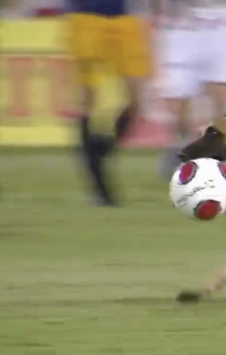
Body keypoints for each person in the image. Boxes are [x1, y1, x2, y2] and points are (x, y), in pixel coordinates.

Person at [65, 0, 156, 206]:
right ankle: (99, 187)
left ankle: (98, 153)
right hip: (86, 17)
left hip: (123, 19)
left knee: (137, 101)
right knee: (88, 101)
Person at [157, 0, 226, 180]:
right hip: (182, 21)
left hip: (225, 19)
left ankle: (216, 157)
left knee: (221, 96)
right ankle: (181, 148)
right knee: (179, 100)